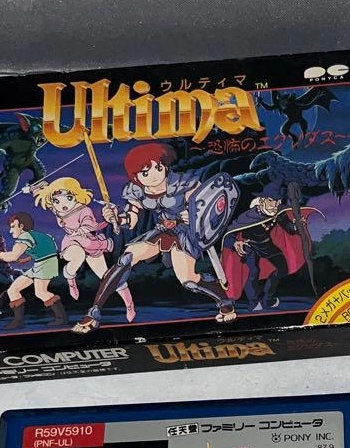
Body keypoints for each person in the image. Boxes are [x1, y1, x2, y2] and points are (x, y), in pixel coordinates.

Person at [73, 142, 235, 332]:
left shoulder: (184, 183)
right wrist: (116, 218)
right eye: (145, 172)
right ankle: (94, 312)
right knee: (126, 259)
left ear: (165, 166)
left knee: (189, 281)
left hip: (185, 232)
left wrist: (192, 216)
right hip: (161, 230)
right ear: (136, 175)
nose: (154, 175)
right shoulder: (136, 190)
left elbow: (205, 207)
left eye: (158, 167)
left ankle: (225, 302)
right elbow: (131, 219)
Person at [28, 176, 136, 321]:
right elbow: (44, 194)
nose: (62, 205)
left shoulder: (84, 210)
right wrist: (32, 189)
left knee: (109, 277)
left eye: (68, 198)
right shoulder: (57, 209)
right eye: (57, 201)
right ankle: (70, 277)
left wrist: (109, 217)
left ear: (76, 195)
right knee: (77, 255)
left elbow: (90, 224)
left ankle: (129, 305)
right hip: (72, 243)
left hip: (90, 243)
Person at [0, 212, 67, 329]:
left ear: (21, 226)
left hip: (46, 264)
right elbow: (47, 248)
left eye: (13, 227)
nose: (11, 231)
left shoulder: (24, 237)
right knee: (13, 289)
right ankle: (18, 321)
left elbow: (12, 256)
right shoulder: (38, 235)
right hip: (41, 263)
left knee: (40, 292)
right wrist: (28, 258)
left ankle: (61, 318)